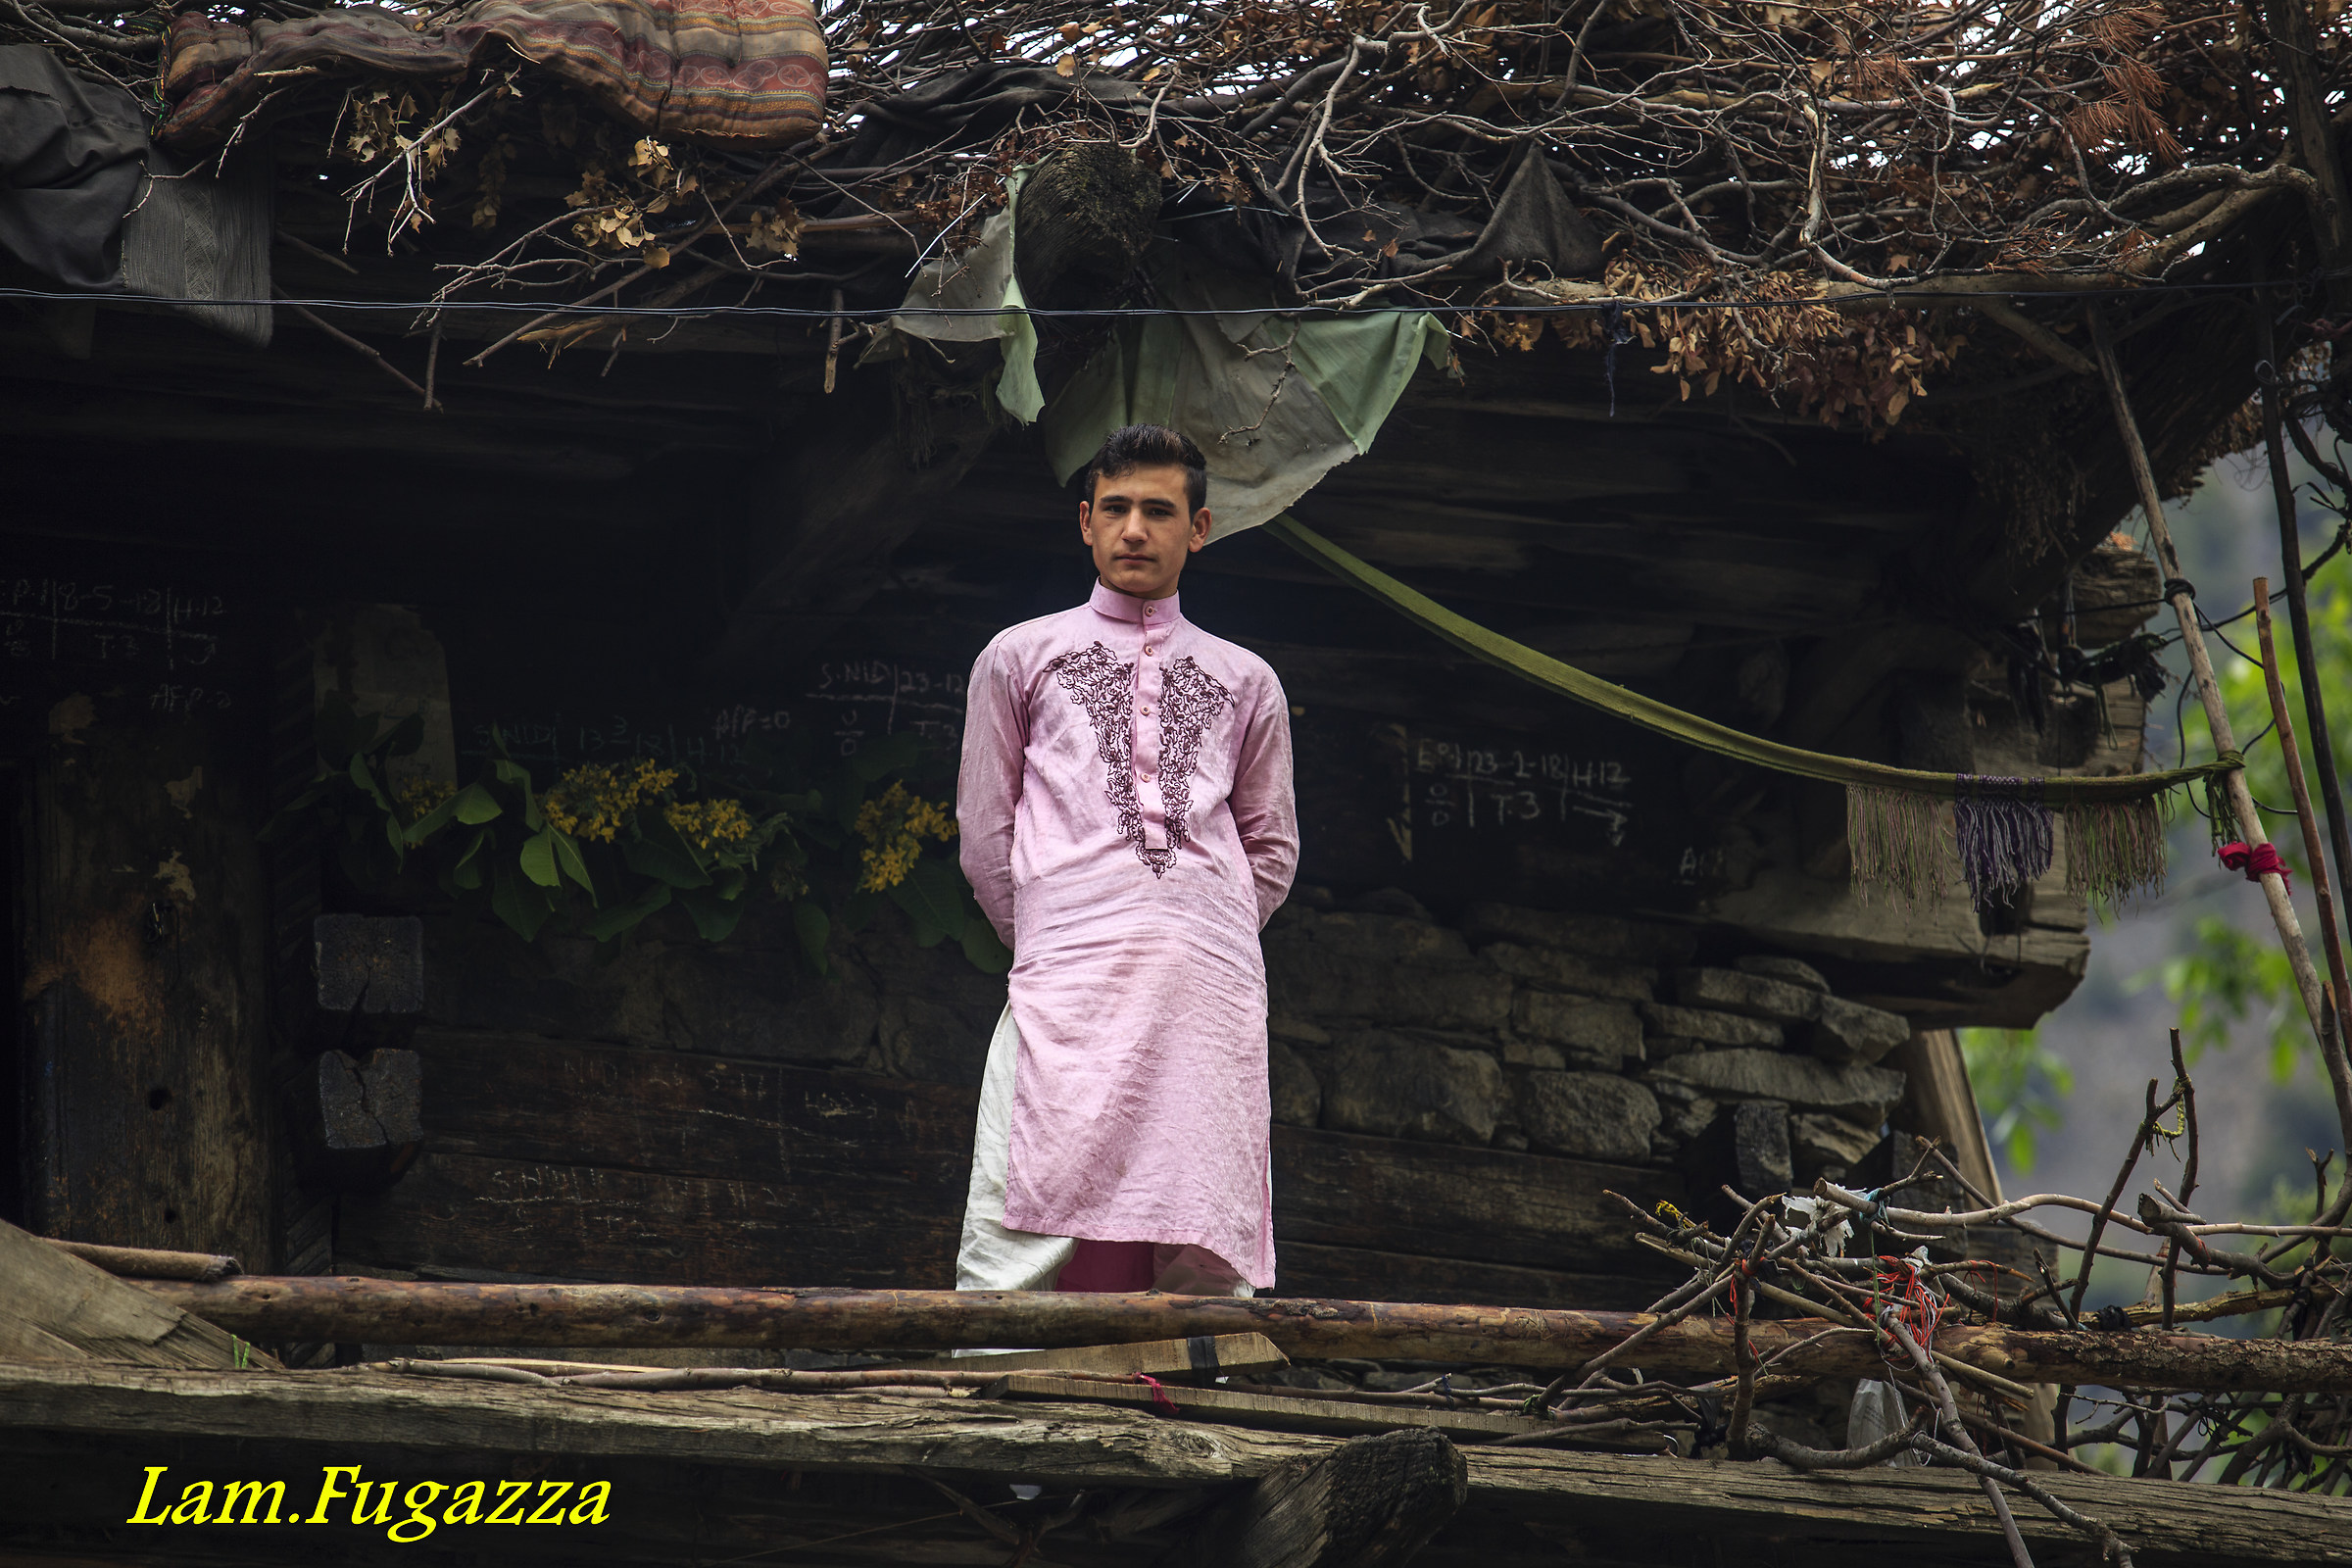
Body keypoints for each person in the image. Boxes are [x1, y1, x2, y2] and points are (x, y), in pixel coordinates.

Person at [954, 423, 1298, 1298]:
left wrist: (1198, 925)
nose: (1135, 530)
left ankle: (1195, 1368)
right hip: (1065, 968)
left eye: (1158, 510)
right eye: (1116, 509)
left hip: (1206, 979)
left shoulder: (1246, 679)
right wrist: (1055, 930)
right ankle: (1004, 1358)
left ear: (1201, 528)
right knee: (1031, 1150)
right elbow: (985, 832)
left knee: (1198, 1171)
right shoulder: (1018, 657)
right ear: (1084, 522)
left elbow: (1271, 845)